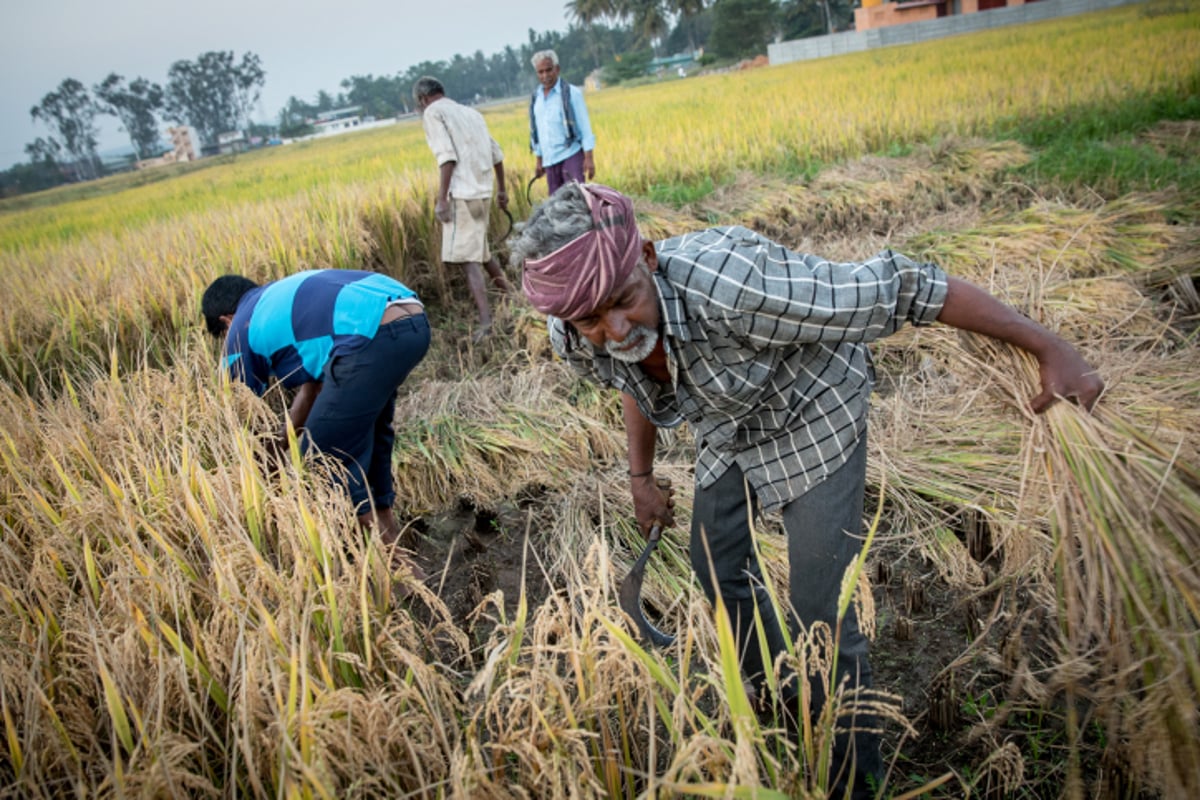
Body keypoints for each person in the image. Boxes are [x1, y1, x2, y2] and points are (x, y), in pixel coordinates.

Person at [511, 183, 1104, 798]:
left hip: (812, 410)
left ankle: (853, 778)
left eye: (624, 300)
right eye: (589, 319)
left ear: (650, 257)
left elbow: (905, 287)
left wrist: (1049, 346)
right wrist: (640, 476)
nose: (613, 326)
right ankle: (776, 695)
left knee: (823, 612)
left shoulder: (737, 285)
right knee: (715, 567)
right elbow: (631, 370)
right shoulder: (577, 332)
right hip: (729, 419)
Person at [201, 269, 430, 582]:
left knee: (326, 460)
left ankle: (402, 575)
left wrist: (258, 471)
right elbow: (313, 392)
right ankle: (390, 538)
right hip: (410, 318)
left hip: (370, 335)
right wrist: (280, 451)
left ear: (225, 320)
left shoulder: (240, 328)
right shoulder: (278, 302)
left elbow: (242, 421)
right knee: (370, 434)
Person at [413, 75, 513, 343]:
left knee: (469, 260)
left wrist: (442, 199)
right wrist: (501, 190)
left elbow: (447, 158)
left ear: (423, 100)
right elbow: (497, 155)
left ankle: (486, 322)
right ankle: (510, 296)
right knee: (482, 252)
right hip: (483, 191)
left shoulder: (433, 113)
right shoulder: (471, 112)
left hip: (462, 193)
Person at [528, 49, 596, 196]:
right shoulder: (536, 99)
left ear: (557, 69)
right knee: (556, 208)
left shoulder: (571, 93)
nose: (545, 76)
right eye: (541, 72)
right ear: (537, 74)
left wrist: (589, 159)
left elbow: (585, 127)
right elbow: (537, 132)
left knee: (577, 200)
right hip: (550, 160)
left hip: (570, 154)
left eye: (549, 70)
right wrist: (539, 160)